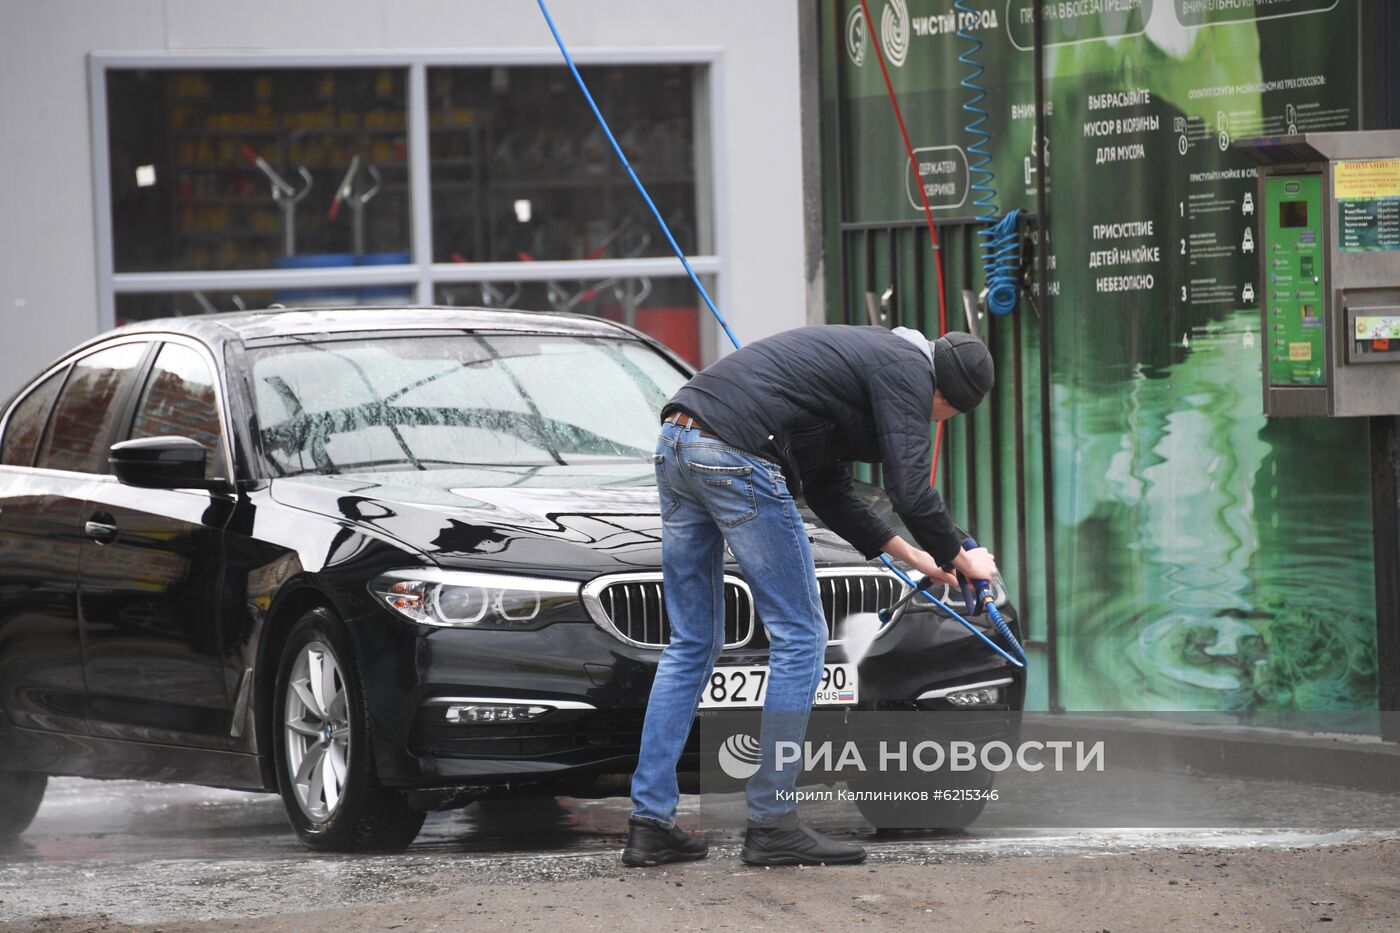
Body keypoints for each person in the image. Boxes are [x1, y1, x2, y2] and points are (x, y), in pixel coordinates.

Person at [622, 324, 1000, 868]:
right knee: (801, 637)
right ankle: (772, 821)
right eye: (942, 418)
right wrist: (964, 553)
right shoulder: (909, 370)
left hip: (678, 444)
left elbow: (830, 492)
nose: (929, 423)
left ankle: (650, 823)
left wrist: (922, 559)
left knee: (691, 642)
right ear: (947, 398)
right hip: (734, 453)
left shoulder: (863, 367)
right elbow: (910, 489)